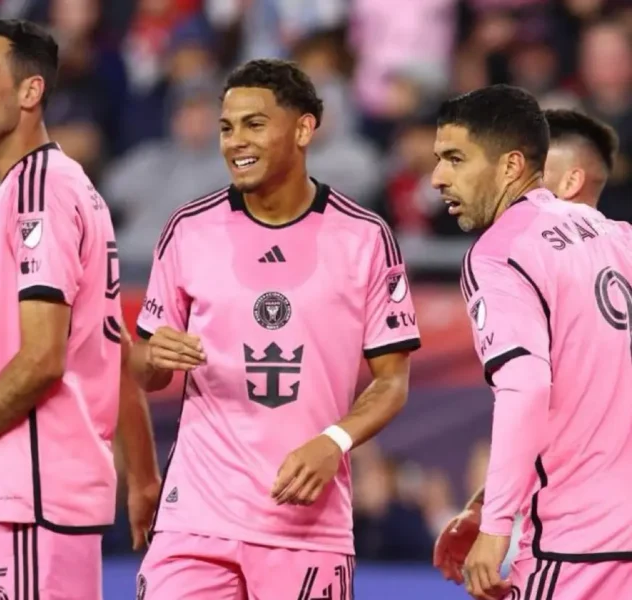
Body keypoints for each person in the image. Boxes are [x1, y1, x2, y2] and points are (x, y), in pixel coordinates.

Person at [130, 58, 421, 599]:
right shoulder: (188, 230)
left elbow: (392, 381)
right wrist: (152, 359)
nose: (235, 141)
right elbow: (141, 369)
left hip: (305, 524)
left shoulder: (365, 237)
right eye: (226, 126)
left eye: (254, 124)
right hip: (195, 516)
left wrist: (334, 441)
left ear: (304, 129)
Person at [0, 16, 160, 600]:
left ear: (31, 92)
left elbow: (43, 360)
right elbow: (115, 346)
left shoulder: (41, 192)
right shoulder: (58, 187)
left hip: (32, 501)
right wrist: (142, 476)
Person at [431, 86, 632, 600]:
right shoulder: (612, 234)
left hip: (576, 545)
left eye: (455, 159)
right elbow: (587, 397)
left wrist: (496, 526)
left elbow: (526, 389)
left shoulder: (497, 255)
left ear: (510, 165)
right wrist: (486, 500)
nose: (438, 178)